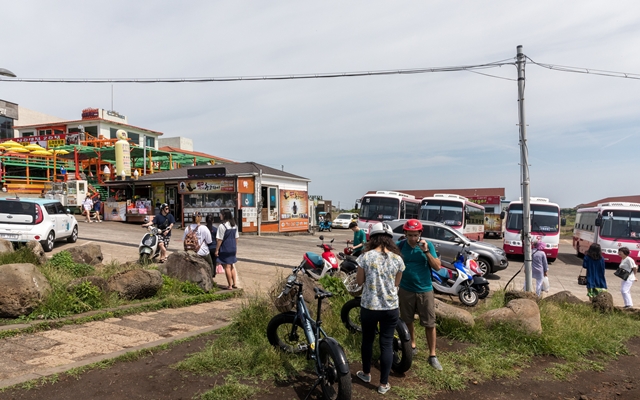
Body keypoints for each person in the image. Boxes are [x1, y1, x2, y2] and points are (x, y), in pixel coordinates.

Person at [355, 222, 404, 395]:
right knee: (386, 343)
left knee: (367, 340)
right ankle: (383, 384)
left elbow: (359, 282)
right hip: (390, 307)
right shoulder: (398, 259)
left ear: (372, 237)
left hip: (369, 306)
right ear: (390, 240)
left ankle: (366, 374)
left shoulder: (365, 257)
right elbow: (397, 283)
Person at [397, 219, 443, 371]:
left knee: (429, 323)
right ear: (405, 233)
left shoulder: (427, 246)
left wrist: (426, 251)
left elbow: (437, 266)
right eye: (410, 235)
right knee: (407, 320)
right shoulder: (400, 246)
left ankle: (432, 355)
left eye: (415, 235)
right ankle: (412, 345)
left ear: (420, 234)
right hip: (405, 289)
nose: (412, 238)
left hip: (425, 289)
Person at [215, 209, 239, 290]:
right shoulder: (234, 225)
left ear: (224, 215)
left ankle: (230, 285)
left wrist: (217, 250)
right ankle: (235, 283)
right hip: (233, 247)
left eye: (221, 214)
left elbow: (219, 240)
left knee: (227, 267)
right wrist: (235, 247)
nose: (220, 216)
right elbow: (236, 238)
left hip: (225, 248)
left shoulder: (222, 226)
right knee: (231, 265)